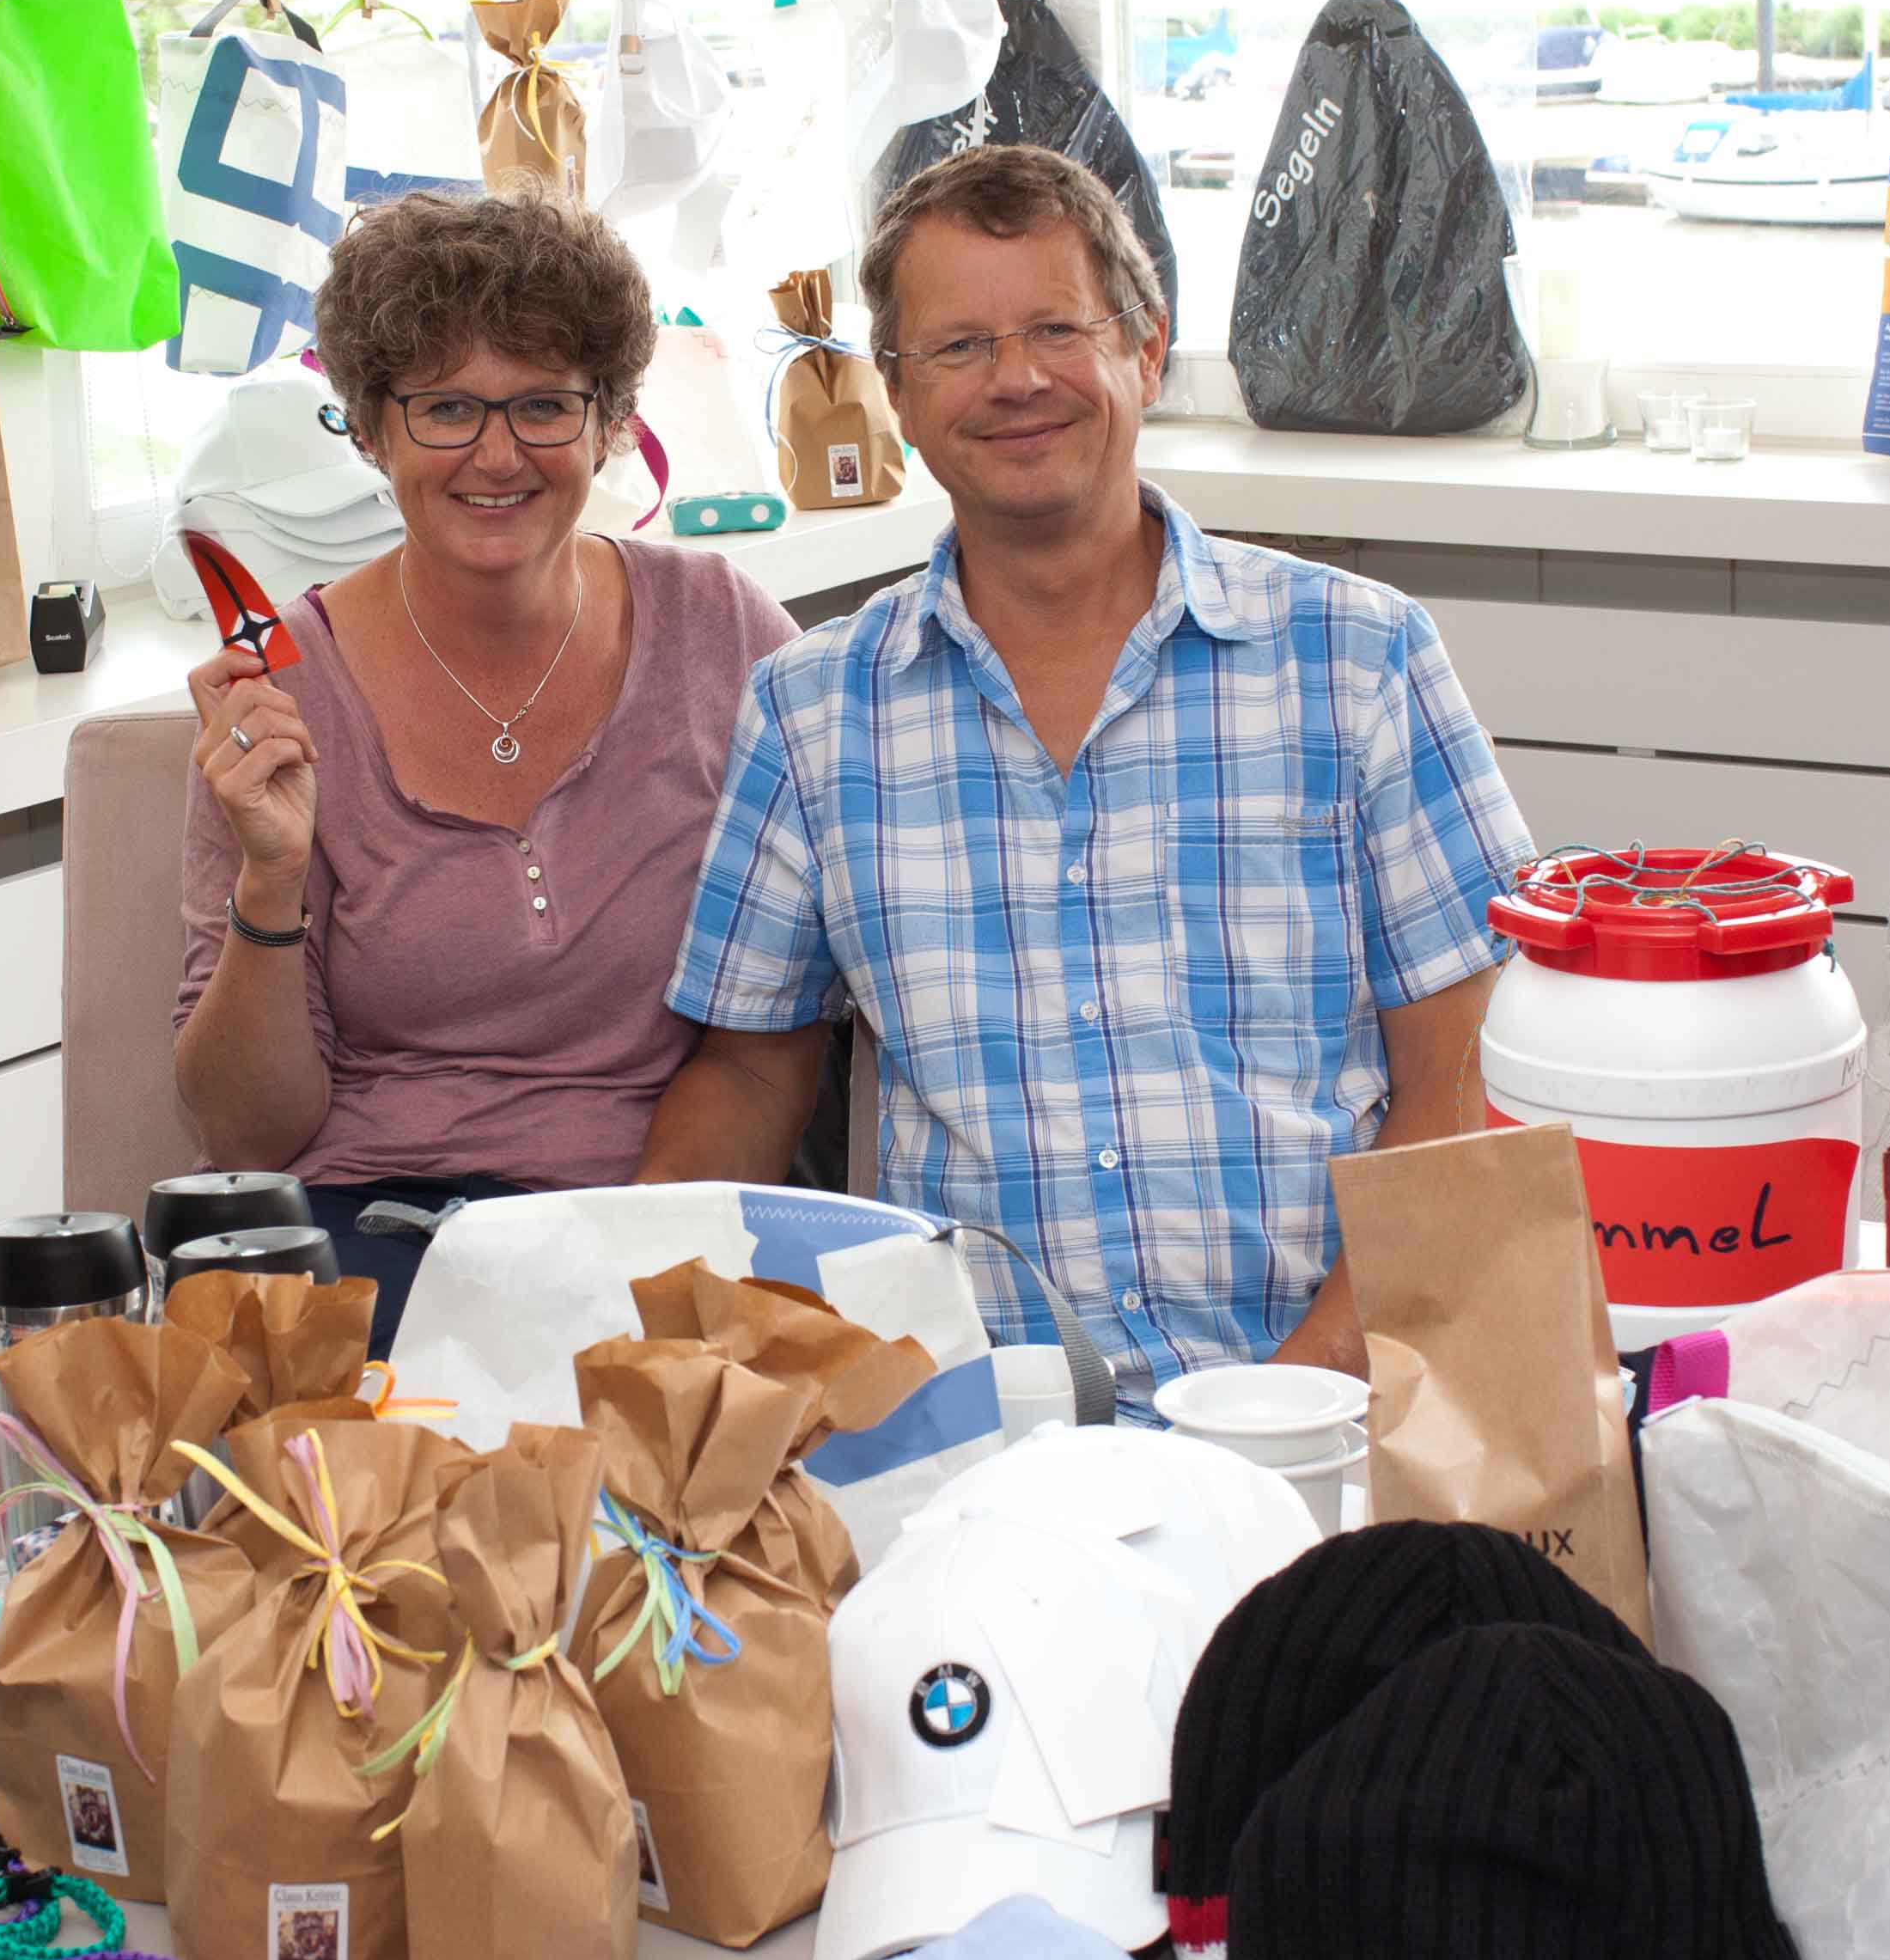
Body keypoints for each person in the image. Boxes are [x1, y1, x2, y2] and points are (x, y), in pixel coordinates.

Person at [641, 144, 1531, 1410]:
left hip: (1339, 1392)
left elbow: (1468, 1067)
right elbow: (745, 1076)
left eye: (1059, 328)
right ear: (897, 392)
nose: (1016, 379)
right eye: (959, 346)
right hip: (988, 1421)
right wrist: (624, 1304)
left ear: (1147, 350)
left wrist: (1292, 1399)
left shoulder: (1359, 655)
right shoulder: (813, 711)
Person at [177, 189, 799, 1346]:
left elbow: (789, 1024)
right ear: (372, 429)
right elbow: (246, 1136)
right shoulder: (281, 692)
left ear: (612, 423)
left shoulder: (725, 632)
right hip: (366, 1236)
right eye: (447, 408)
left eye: (544, 405)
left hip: (641, 1226)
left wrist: (641, 1267)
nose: (498, 455)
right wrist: (270, 877)